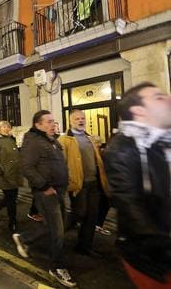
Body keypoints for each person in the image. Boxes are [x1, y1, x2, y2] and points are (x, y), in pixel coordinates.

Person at [104, 82, 171, 288]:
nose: (168, 99)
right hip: (155, 259)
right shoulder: (122, 148)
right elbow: (130, 205)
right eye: (158, 97)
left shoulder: (162, 141)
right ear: (138, 111)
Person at [12, 110, 75, 288]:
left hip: (58, 191)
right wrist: (44, 186)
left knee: (55, 226)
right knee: (58, 231)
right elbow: (27, 167)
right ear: (37, 124)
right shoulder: (33, 140)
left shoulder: (50, 139)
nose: (53, 124)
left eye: (53, 121)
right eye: (48, 122)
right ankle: (57, 267)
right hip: (46, 192)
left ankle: (25, 239)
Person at [58, 109, 108, 257]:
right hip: (78, 183)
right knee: (79, 213)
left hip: (93, 182)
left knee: (92, 216)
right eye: (77, 119)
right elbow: (61, 163)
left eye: (82, 118)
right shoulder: (65, 140)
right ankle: (53, 236)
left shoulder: (90, 138)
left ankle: (84, 246)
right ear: (70, 121)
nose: (80, 121)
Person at [0, 121, 21, 232]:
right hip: (5, 175)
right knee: (11, 199)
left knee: (10, 198)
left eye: (8, 126)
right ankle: (13, 222)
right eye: (4, 126)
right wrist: (1, 171)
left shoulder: (12, 139)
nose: (7, 128)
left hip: (14, 173)